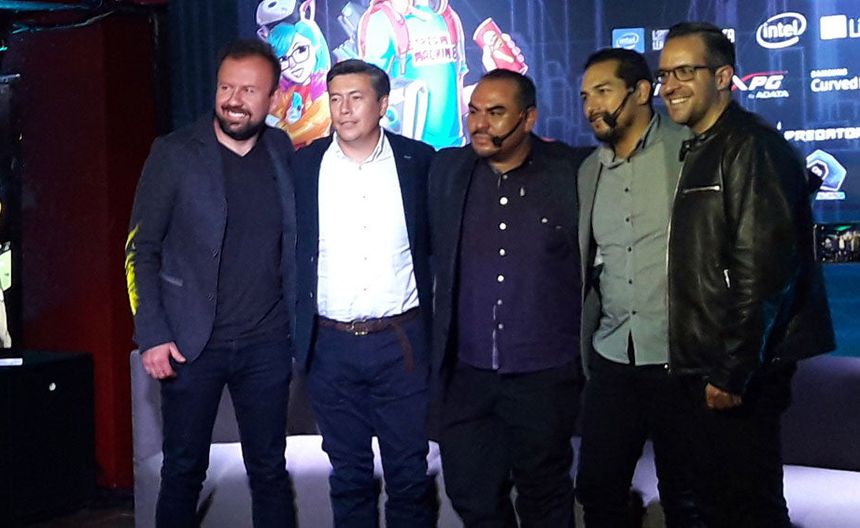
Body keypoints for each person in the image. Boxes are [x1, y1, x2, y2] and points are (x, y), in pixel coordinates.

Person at [657, 22, 835, 528]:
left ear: (723, 77)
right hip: (713, 364)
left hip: (738, 371)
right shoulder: (705, 145)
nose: (669, 86)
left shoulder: (750, 146)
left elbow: (764, 271)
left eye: (684, 71)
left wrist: (731, 371)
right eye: (664, 74)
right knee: (721, 503)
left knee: (746, 507)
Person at [125, 39, 297, 527]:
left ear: (273, 98)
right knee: (183, 471)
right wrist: (152, 333)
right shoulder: (174, 153)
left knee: (269, 470)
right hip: (189, 345)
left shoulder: (282, 150)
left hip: (266, 343)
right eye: (226, 87)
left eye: (248, 90)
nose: (233, 100)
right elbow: (140, 248)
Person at [429, 68, 584, 527]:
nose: (480, 124)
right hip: (468, 374)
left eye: (495, 113)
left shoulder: (572, 173)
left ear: (528, 118)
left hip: (544, 373)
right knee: (471, 494)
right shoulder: (448, 171)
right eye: (474, 111)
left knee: (544, 496)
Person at [292, 59, 436, 527]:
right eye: (335, 99)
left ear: (383, 104)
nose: (344, 109)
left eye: (356, 98)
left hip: (401, 342)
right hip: (329, 345)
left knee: (409, 476)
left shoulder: (419, 161)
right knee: (348, 477)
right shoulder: (304, 164)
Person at [575, 48, 702, 528]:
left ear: (642, 91)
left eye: (603, 91)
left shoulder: (691, 149)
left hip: (680, 359)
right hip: (613, 357)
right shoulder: (589, 171)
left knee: (686, 497)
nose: (592, 106)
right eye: (585, 96)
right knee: (597, 493)